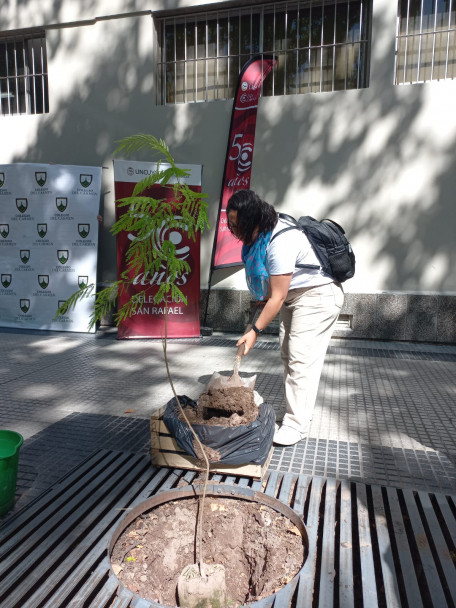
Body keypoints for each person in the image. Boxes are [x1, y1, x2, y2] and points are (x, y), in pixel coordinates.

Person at [226, 189, 344, 446]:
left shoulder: (279, 241)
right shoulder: (258, 240)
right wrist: (252, 322)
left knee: (300, 359)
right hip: (295, 297)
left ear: (253, 220)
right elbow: (266, 291)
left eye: (237, 225)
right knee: (288, 354)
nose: (234, 231)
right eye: (230, 225)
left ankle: (296, 425)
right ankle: (297, 413)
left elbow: (276, 297)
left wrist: (255, 331)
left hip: (317, 297)